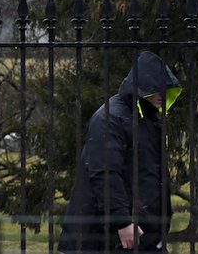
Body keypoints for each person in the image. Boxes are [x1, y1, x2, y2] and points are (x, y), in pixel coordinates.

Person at [58, 51, 182, 253]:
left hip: (141, 234)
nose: (162, 94)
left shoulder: (149, 120)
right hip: (106, 237)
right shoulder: (110, 118)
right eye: (156, 89)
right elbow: (105, 173)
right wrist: (122, 222)